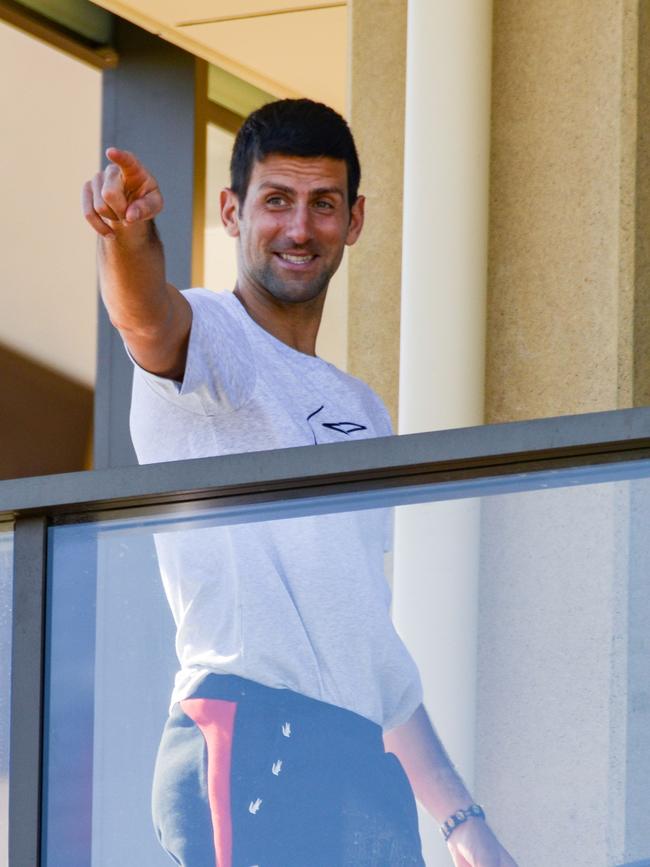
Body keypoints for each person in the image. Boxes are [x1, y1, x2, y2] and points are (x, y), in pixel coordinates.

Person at [82, 99, 518, 867]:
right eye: (275, 200)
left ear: (353, 221)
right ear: (231, 212)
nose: (298, 227)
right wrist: (126, 236)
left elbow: (366, 642)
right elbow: (145, 315)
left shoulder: (363, 409)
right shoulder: (214, 339)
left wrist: (462, 818)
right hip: (252, 729)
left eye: (322, 204)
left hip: (357, 753)